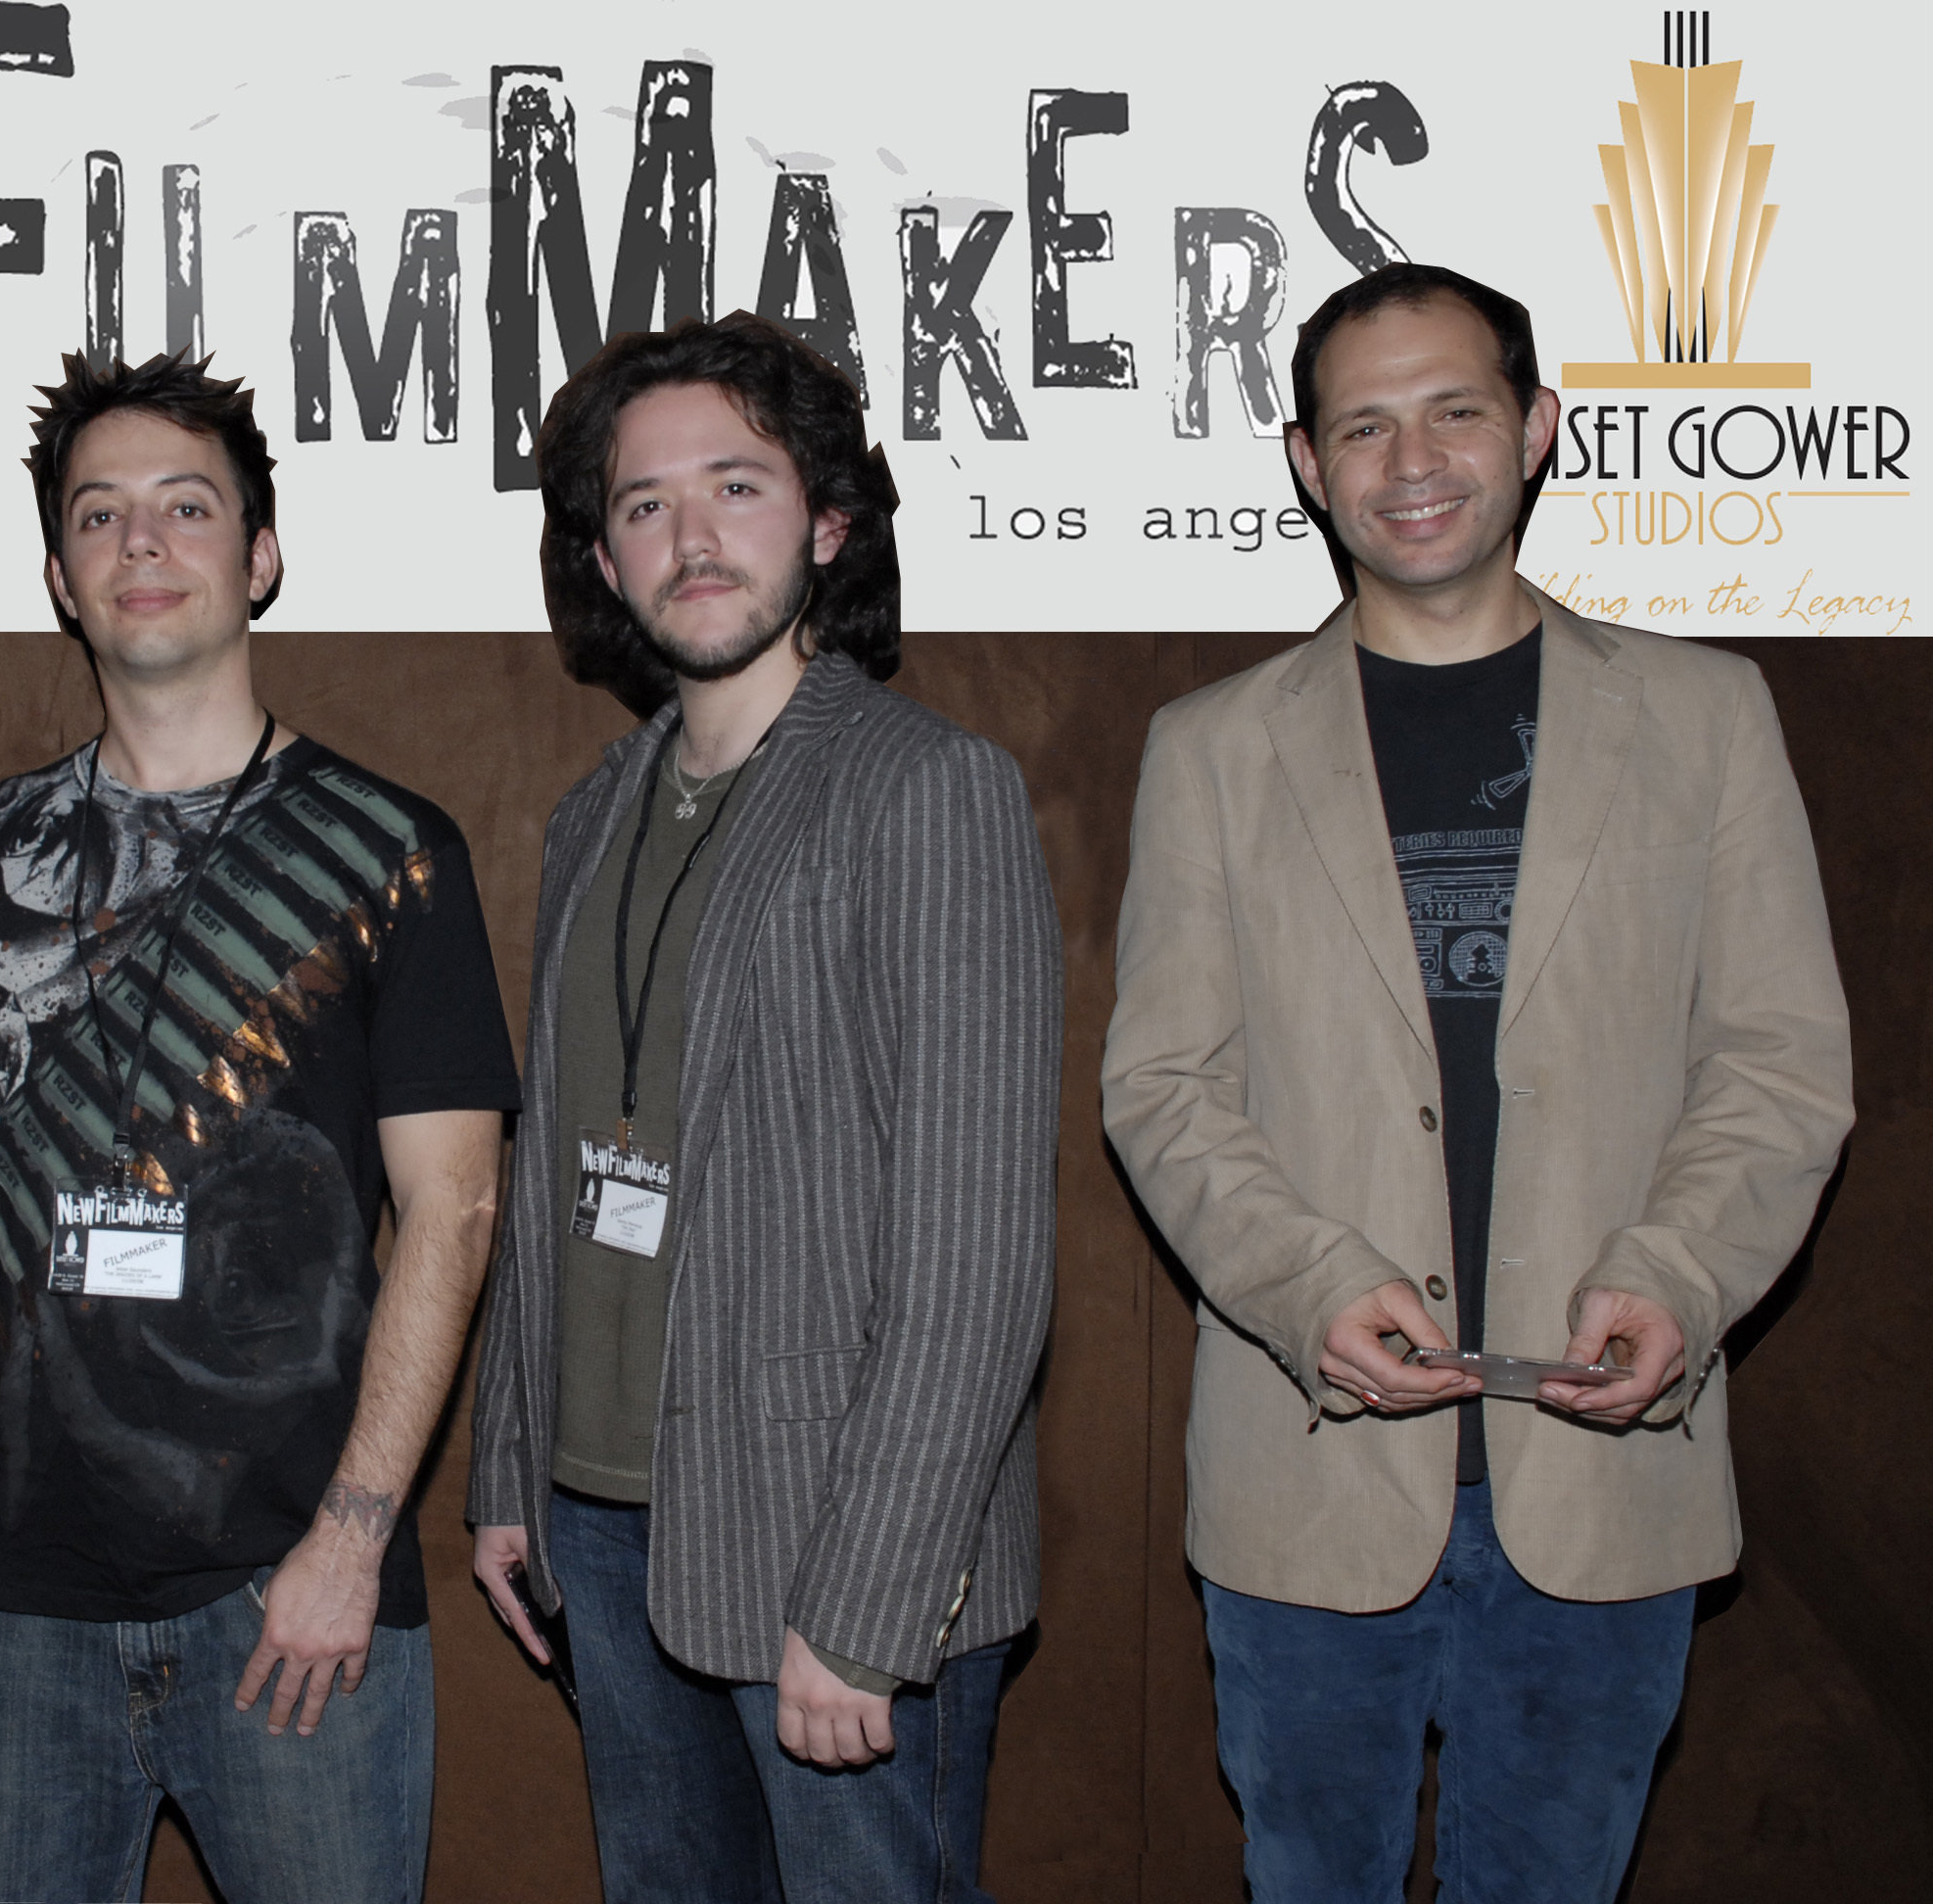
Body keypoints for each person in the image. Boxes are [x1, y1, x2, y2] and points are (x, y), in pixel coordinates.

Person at [1101, 262, 1853, 1903]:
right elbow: (1161, 1084)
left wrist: (1674, 1275)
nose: (1412, 458)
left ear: (1537, 429)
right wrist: (1307, 1284)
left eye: (1454, 409)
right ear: (1308, 464)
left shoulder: (1711, 719)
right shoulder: (1211, 749)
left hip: (1607, 1479)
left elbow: (1782, 1067)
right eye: (1363, 425)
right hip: (1310, 1488)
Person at [0, 352, 519, 1904]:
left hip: (289, 1595)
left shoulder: (389, 850)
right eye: (99, 516)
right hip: (17, 1610)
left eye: (184, 507)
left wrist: (353, 1543)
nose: (140, 544)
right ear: (59, 578)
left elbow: (456, 1211)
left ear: (260, 555)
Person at [467, 311, 1061, 1904]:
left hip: (831, 1540)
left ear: (831, 519)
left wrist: (868, 1605)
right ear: (603, 559)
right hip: (606, 1525)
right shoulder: (594, 812)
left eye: (738, 484)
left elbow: (979, 1260)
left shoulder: (925, 788)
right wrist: (511, 1470)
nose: (692, 534)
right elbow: (557, 1170)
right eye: (645, 503)